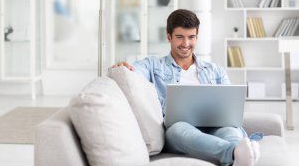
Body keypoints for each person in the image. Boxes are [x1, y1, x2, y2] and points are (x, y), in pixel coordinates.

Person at [111, 9, 260, 166]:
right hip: (182, 131)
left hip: (216, 127)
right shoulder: (154, 65)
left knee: (231, 131)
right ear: (169, 36)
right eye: (180, 37)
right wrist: (124, 68)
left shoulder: (215, 70)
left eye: (191, 37)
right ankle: (234, 153)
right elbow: (134, 72)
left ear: (197, 36)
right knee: (176, 131)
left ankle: (240, 155)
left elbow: (230, 108)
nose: (186, 44)